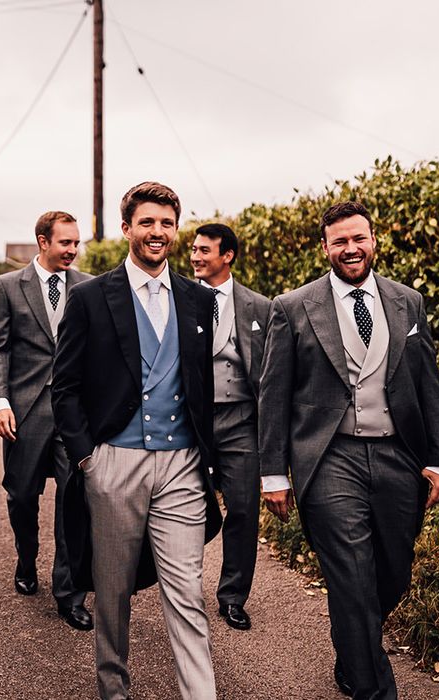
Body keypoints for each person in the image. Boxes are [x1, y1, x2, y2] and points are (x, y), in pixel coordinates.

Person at [258, 200, 439, 699]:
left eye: (358, 238)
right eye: (339, 241)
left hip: (398, 457)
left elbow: (427, 384)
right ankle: (375, 688)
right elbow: (274, 394)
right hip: (329, 458)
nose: (350, 248)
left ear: (373, 239)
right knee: (351, 579)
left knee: (391, 574)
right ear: (324, 247)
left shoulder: (407, 302)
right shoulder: (293, 306)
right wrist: (274, 473)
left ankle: (352, 646)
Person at [52, 182, 222, 700]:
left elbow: (201, 383)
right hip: (114, 462)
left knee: (188, 592)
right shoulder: (88, 298)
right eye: (147, 222)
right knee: (114, 592)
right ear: (127, 228)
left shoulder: (198, 299)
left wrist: (207, 458)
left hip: (181, 466)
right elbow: (65, 386)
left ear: (176, 228)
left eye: (166, 223)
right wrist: (88, 459)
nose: (157, 232)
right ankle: (113, 688)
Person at [0, 210, 93, 630]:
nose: (72, 250)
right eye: (65, 242)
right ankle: (26, 559)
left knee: (74, 502)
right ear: (43, 242)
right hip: (25, 413)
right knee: (22, 496)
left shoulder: (87, 286)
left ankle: (69, 594)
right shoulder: (9, 287)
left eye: (76, 243)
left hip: (73, 415)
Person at [190, 223, 270, 631]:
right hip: (191, 421)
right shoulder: (181, 300)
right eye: (194, 249)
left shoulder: (260, 307)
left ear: (228, 256)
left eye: (205, 250)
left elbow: (273, 374)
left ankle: (233, 596)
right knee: (189, 509)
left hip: (241, 420)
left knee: (242, 508)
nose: (196, 257)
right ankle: (184, 588)